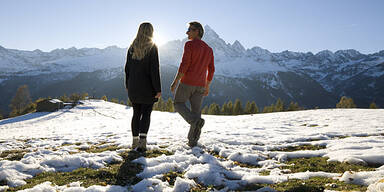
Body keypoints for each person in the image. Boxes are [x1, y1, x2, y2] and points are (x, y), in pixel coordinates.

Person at [171, 21, 215, 147]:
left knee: (178, 103)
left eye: (190, 29)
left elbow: (184, 65)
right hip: (200, 85)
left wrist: (175, 81)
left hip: (187, 82)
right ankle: (193, 141)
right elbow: (211, 69)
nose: (187, 32)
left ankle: (195, 121)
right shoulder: (209, 49)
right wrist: (207, 85)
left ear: (197, 31)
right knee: (196, 111)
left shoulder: (189, 44)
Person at [125, 22, 161, 152]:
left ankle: (134, 141)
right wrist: (158, 89)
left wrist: (127, 85)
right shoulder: (152, 47)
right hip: (148, 88)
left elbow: (127, 69)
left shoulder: (132, 47)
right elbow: (154, 70)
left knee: (136, 113)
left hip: (133, 86)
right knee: (146, 114)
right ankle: (142, 142)